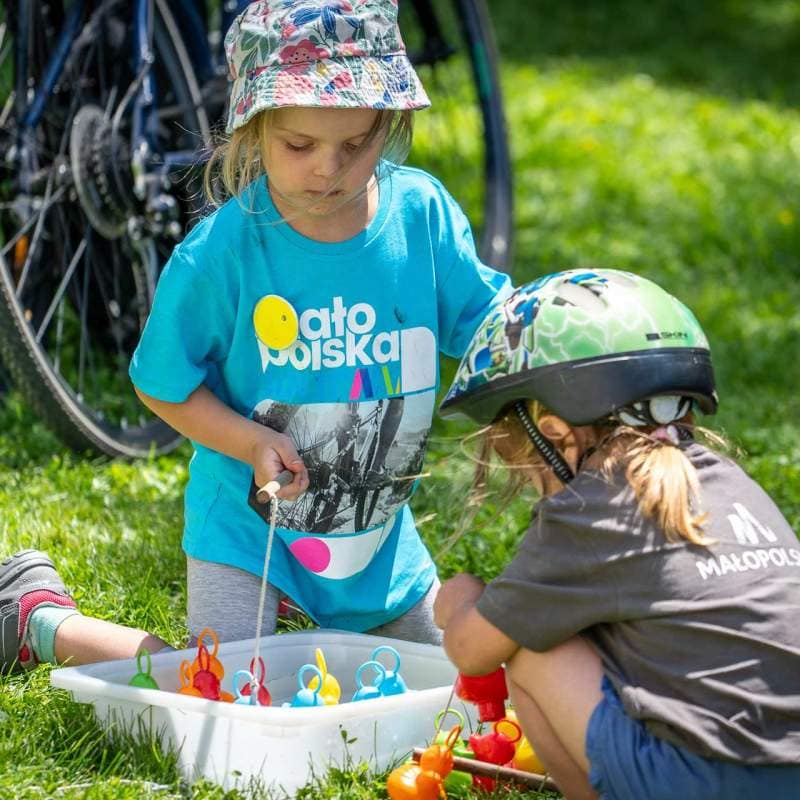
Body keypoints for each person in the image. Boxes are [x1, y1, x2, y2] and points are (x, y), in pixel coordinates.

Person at [0, 0, 510, 673]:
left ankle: (309, 619)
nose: (328, 169)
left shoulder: (422, 219)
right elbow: (162, 383)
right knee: (222, 690)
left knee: (460, 681)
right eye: (298, 145)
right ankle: (42, 621)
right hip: (248, 535)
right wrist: (252, 442)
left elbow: (494, 329)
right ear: (253, 129)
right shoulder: (223, 253)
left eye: (356, 144)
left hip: (374, 543)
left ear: (387, 124)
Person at [433, 269, 800, 800]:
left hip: (716, 783)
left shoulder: (590, 506)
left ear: (555, 431)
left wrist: (459, 597)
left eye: (528, 466)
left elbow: (471, 651)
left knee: (533, 648)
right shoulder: (731, 483)